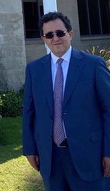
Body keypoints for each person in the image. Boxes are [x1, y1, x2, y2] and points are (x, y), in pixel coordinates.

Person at [22, 11, 110, 190]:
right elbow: (28, 112)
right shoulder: (34, 69)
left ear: (70, 34)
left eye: (60, 33)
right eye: (49, 35)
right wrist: (29, 149)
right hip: (51, 157)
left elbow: (108, 109)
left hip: (89, 155)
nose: (55, 38)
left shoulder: (93, 65)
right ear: (44, 38)